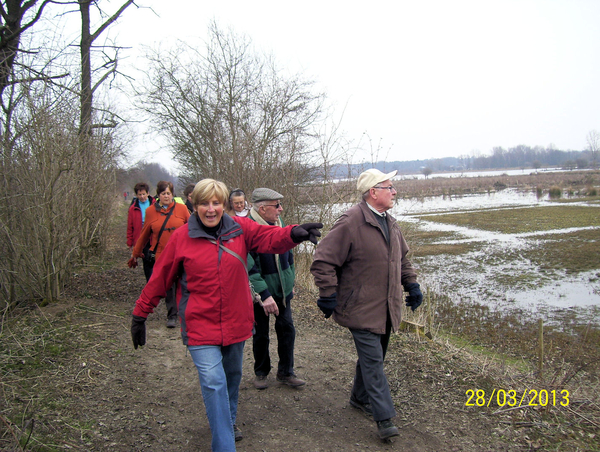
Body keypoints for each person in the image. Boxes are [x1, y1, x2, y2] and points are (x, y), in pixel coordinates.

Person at [130, 178, 322, 452]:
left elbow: (269, 238)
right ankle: (224, 444)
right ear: (194, 206)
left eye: (216, 203)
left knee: (231, 378)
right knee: (214, 381)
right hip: (200, 326)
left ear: (224, 205)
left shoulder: (240, 229)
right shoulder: (181, 239)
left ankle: (227, 421)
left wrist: (293, 233)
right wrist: (140, 315)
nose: (211, 209)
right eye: (204, 203)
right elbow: (159, 279)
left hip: (236, 322)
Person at [310, 168, 423, 441]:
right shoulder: (350, 221)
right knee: (374, 363)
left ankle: (359, 398)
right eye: (389, 187)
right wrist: (328, 294)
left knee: (375, 358)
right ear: (374, 192)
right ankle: (384, 418)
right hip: (359, 307)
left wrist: (412, 285)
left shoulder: (390, 222)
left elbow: (401, 260)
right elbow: (323, 260)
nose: (395, 191)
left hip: (385, 307)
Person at [246, 188, 305, 390]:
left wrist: (291, 284)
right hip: (259, 296)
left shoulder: (280, 225)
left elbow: (290, 259)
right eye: (276, 205)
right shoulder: (247, 230)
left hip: (282, 292)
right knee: (261, 334)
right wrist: (263, 294)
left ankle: (286, 372)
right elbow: (249, 268)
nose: (281, 209)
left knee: (287, 329)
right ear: (262, 208)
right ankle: (261, 372)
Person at [131, 181, 190, 328]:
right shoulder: (151, 211)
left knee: (183, 285)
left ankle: (186, 314)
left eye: (168, 193)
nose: (166, 196)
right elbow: (144, 234)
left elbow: (193, 229)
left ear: (172, 194)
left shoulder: (182, 209)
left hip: (182, 254)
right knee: (168, 286)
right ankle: (172, 315)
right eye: (163, 193)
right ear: (158, 195)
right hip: (162, 255)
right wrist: (135, 253)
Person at [127, 183, 156, 282]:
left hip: (155, 237)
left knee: (156, 260)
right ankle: (150, 283)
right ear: (136, 195)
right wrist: (130, 243)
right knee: (147, 262)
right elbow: (130, 227)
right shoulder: (133, 209)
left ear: (148, 193)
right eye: (140, 195)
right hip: (142, 238)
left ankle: (157, 282)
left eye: (144, 194)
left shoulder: (156, 205)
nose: (142, 197)